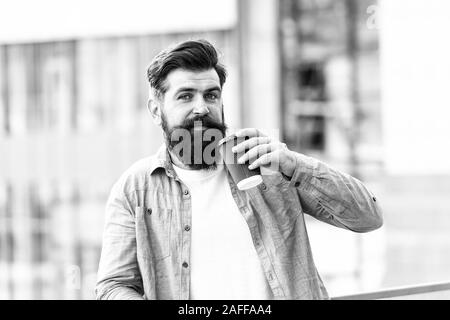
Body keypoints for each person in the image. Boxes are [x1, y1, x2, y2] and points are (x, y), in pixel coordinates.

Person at [95, 39, 383, 300]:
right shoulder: (135, 187)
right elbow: (113, 286)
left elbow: (367, 217)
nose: (202, 108)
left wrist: (293, 164)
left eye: (211, 95)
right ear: (156, 110)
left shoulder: (267, 164)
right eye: (185, 96)